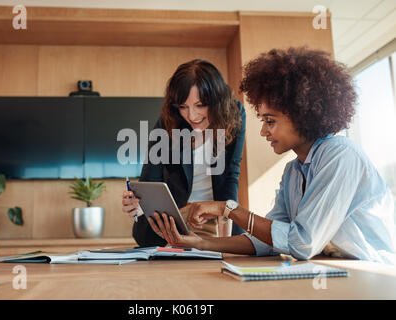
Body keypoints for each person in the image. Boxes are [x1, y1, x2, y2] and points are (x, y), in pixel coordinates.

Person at [148, 47, 396, 265]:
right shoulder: (293, 172)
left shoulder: (340, 155)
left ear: (302, 115)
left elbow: (302, 243)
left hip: (372, 271)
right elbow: (265, 241)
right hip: (333, 268)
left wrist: (228, 208)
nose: (263, 130)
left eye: (270, 121)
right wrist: (199, 244)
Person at [122, 59, 246, 247]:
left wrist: (225, 239)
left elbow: (231, 176)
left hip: (217, 219)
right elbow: (150, 179)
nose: (192, 116)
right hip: (175, 220)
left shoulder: (235, 115)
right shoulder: (168, 122)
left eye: (200, 105)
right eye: (183, 107)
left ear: (217, 100)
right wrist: (139, 204)